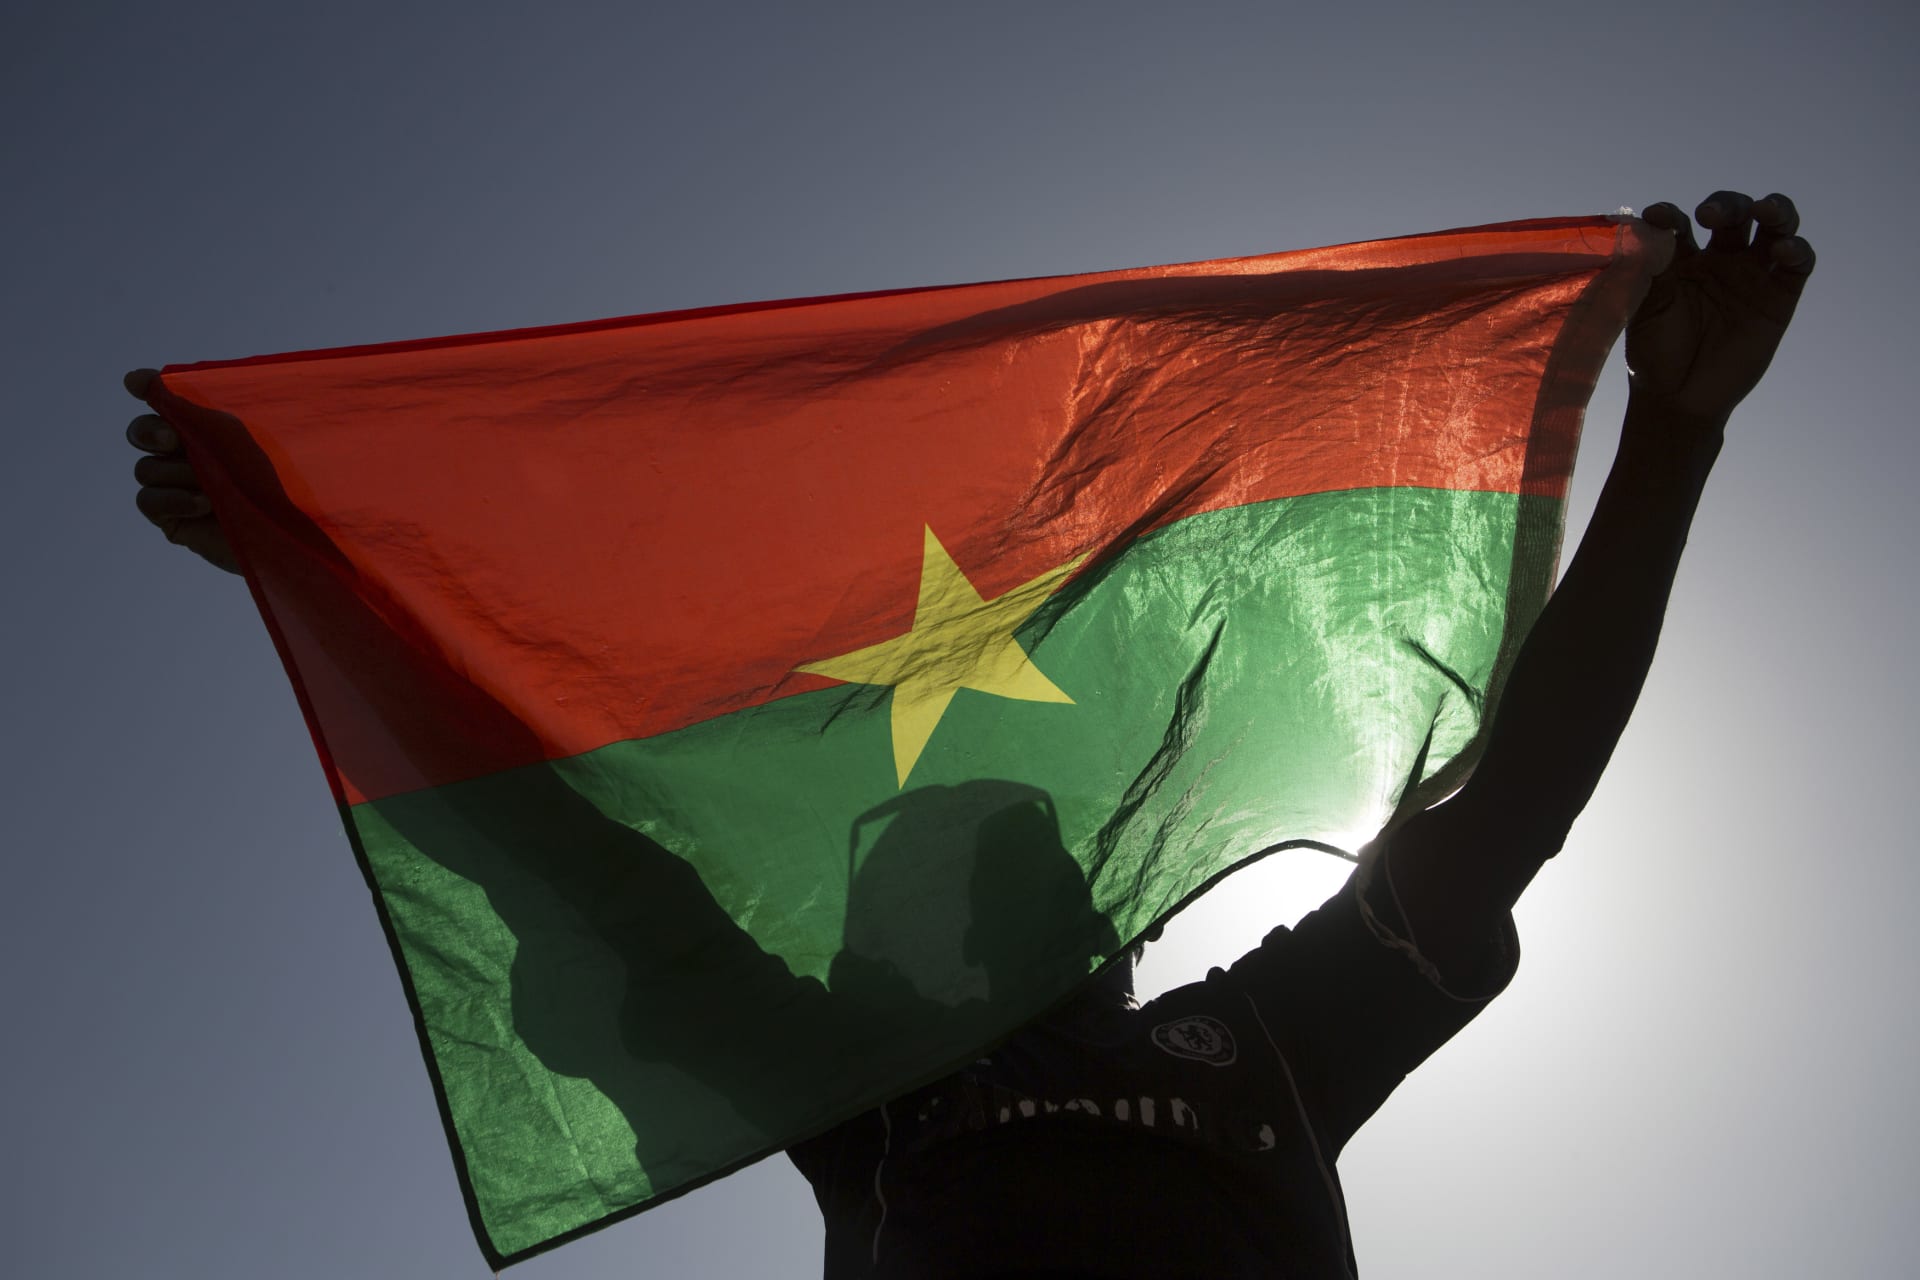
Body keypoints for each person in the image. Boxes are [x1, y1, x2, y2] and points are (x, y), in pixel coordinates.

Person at [126, 192, 1814, 1278]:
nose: (1019, 886)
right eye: (965, 871)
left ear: (1113, 913)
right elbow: (582, 863)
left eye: (1035, 859)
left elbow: (1511, 804)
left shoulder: (1280, 1040)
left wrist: (1672, 431)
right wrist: (321, 570)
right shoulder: (858, 1095)